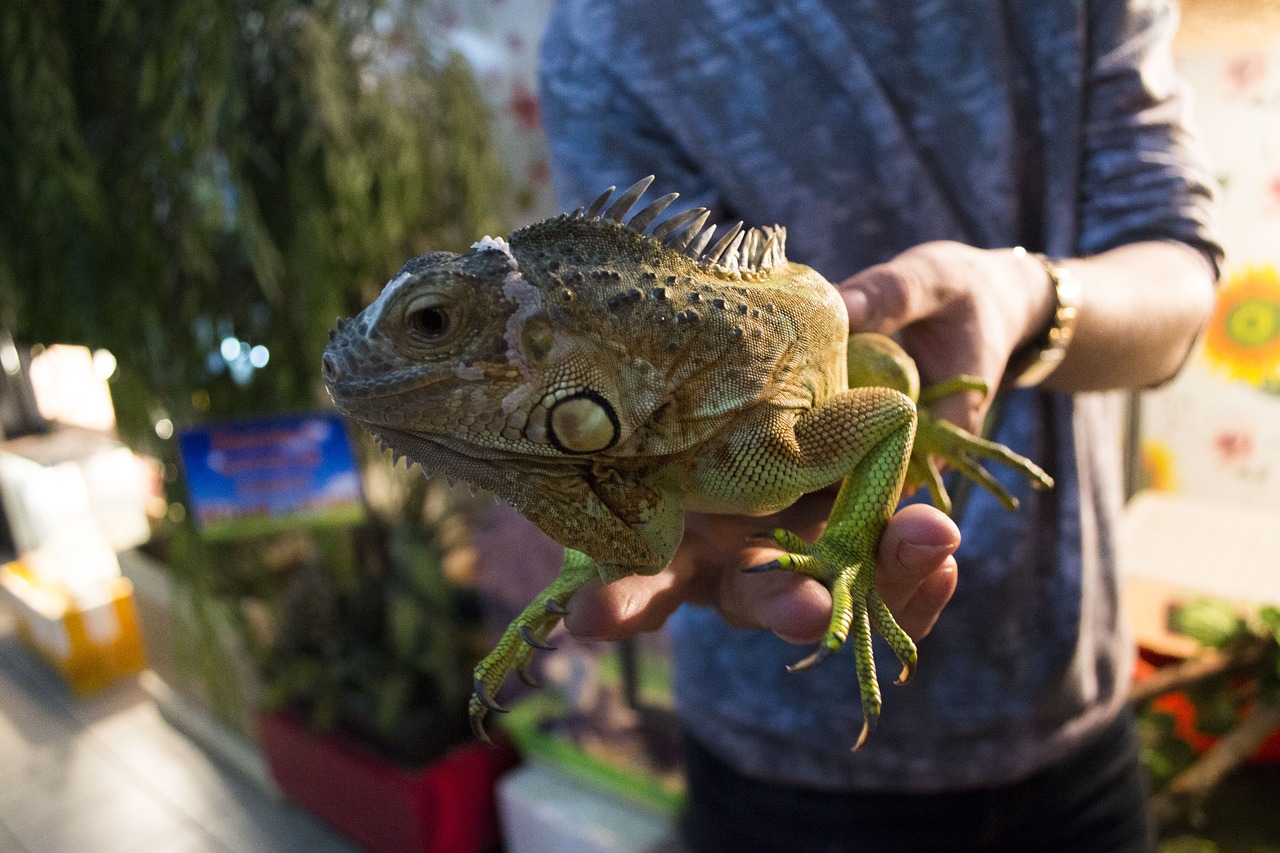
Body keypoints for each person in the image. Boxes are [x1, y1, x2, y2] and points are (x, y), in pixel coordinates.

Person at [535, 1, 1221, 850]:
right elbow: (629, 360)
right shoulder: (609, 28)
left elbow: (1180, 276)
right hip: (768, 749)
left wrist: (1029, 302)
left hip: (1065, 711)